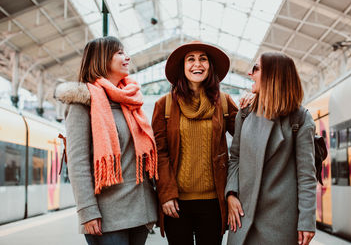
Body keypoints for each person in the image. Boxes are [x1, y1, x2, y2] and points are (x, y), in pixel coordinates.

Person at [55, 36, 158, 245]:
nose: (127, 57)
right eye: (120, 53)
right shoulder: (82, 104)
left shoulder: (130, 102)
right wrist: (87, 211)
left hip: (141, 212)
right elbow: (78, 162)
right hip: (107, 217)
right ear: (102, 59)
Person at [225, 52, 317, 245]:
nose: (250, 73)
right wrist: (231, 194)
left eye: (256, 69)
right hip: (243, 217)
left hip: (280, 222)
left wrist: (307, 221)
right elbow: (235, 158)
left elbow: (306, 174)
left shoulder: (300, 118)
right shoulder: (245, 113)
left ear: (273, 75)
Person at [151, 41, 238, 245]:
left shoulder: (224, 102)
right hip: (176, 203)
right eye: (191, 59)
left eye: (203, 59)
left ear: (210, 66)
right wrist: (166, 194)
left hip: (214, 203)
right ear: (182, 67)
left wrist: (255, 103)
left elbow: (248, 140)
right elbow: (160, 154)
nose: (197, 64)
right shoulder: (164, 105)